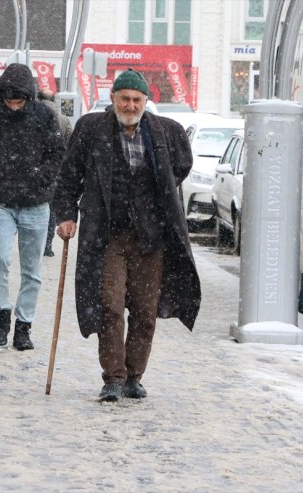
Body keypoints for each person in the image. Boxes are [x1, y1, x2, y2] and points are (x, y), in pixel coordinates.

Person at [53, 68, 201, 401]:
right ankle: (113, 378)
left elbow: (181, 166)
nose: (130, 105)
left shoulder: (167, 132)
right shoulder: (91, 129)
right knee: (110, 306)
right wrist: (65, 215)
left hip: (151, 239)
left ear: (146, 101)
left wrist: (154, 197)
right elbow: (68, 177)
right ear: (113, 98)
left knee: (146, 311)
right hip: (107, 237)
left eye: (136, 100)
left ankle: (135, 376)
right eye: (125, 98)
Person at [0, 63, 65, 350]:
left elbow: (56, 154)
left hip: (36, 204)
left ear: (28, 97)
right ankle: (1, 315)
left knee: (32, 270)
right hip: (3, 202)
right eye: (9, 101)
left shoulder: (44, 117)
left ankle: (23, 327)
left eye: (18, 101)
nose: (13, 107)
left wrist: (41, 180)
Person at [36, 89, 73, 257]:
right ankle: (48, 244)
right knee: (51, 209)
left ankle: (36, 241)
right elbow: (70, 144)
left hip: (35, 169)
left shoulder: (33, 115)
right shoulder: (63, 120)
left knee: (36, 208)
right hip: (56, 170)